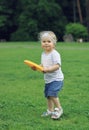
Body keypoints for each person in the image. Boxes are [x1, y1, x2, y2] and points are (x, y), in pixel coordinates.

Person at [33, 31, 64, 119]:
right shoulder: (43, 54)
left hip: (56, 79)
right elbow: (43, 65)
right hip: (48, 79)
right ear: (41, 43)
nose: (46, 43)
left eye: (49, 41)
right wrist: (36, 67)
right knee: (48, 96)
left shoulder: (55, 54)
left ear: (54, 44)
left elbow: (57, 66)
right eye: (44, 41)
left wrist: (47, 70)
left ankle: (59, 109)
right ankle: (50, 110)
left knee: (52, 94)